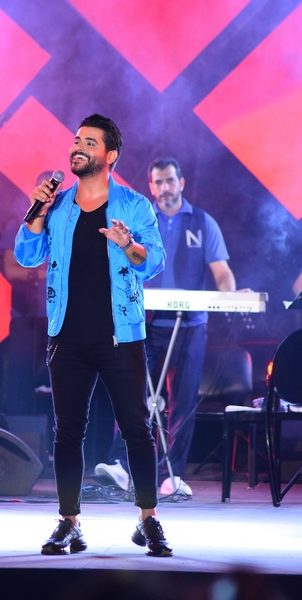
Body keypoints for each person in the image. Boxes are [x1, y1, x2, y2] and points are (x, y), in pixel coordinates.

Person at [14, 114, 172, 557]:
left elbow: (153, 261)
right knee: (68, 432)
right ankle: (69, 522)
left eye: (89, 142)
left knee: (137, 428)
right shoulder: (58, 205)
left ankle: (148, 519)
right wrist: (36, 214)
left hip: (120, 335)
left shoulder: (134, 205)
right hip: (67, 336)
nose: (78, 147)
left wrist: (127, 245)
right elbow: (26, 256)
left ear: (110, 155)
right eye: (76, 140)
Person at [94, 157, 237, 497]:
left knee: (183, 401)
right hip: (145, 321)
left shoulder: (202, 222)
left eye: (170, 180)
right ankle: (123, 466)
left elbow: (222, 273)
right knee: (131, 394)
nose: (165, 188)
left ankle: (172, 474)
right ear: (151, 186)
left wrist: (231, 298)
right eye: (158, 182)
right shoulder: (141, 221)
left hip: (190, 324)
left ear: (181, 183)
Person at [0, 173, 53, 416]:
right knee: (20, 380)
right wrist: (46, 272)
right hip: (24, 315)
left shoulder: (65, 225)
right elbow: (11, 269)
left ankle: (52, 436)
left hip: (57, 316)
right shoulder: (18, 224)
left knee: (56, 382)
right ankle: (18, 432)